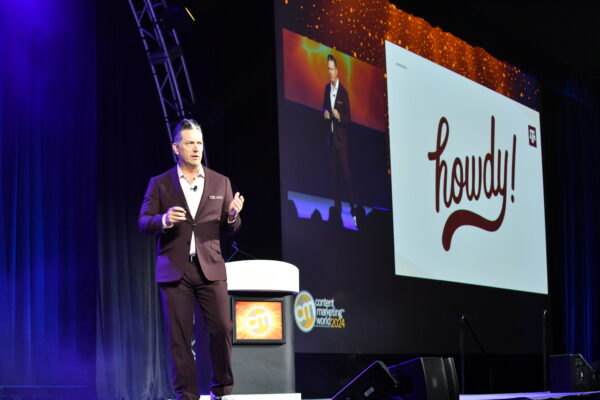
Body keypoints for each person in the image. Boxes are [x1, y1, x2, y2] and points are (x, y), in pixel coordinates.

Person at [139, 118, 244, 400]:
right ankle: (187, 394)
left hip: (210, 268)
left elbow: (230, 229)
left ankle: (220, 390)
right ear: (176, 148)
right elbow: (143, 222)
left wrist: (233, 215)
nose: (196, 148)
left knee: (222, 327)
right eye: (189, 143)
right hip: (176, 271)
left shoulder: (220, 181)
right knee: (180, 338)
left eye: (199, 142)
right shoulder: (160, 183)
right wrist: (162, 219)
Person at [322, 54, 356, 224]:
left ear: (337, 70)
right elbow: (323, 107)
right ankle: (337, 212)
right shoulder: (326, 88)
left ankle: (354, 210)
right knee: (334, 177)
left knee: (346, 177)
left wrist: (339, 116)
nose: (330, 72)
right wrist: (325, 114)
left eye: (332, 69)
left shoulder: (344, 92)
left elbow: (349, 119)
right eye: (328, 69)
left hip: (342, 142)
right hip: (331, 139)